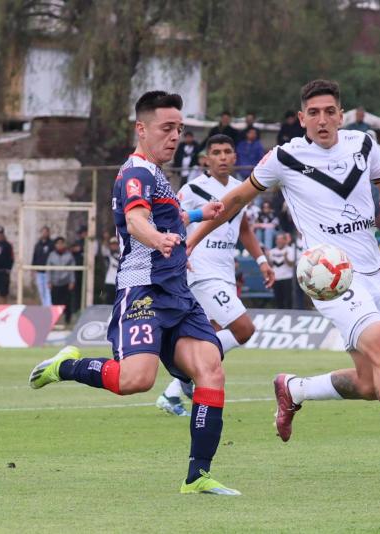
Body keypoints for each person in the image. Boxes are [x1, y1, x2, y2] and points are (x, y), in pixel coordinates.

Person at [187, 79, 380, 478]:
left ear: (341, 115)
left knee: (370, 383)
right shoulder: (283, 157)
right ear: (301, 118)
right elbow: (233, 202)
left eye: (329, 111)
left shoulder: (364, 145)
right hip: (329, 276)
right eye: (313, 113)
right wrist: (192, 241)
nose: (322, 120)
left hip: (371, 272)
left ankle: (294, 389)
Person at [28, 90, 240, 495]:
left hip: (177, 293)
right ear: (141, 129)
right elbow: (137, 219)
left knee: (211, 368)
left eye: (179, 128)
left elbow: (168, 212)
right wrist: (157, 239)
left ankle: (198, 475)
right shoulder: (135, 173)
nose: (175, 136)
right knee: (135, 381)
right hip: (142, 290)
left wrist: (198, 214)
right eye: (166, 128)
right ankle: (65, 366)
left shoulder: (156, 174)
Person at [155, 133, 275, 416]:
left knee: (212, 336)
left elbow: (243, 228)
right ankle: (185, 372)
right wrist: (178, 255)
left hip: (224, 272)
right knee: (244, 330)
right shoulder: (194, 188)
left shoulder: (239, 189)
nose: (222, 157)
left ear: (235, 157)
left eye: (227, 152)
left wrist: (261, 261)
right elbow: (173, 222)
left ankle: (172, 393)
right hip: (200, 271)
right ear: (206, 159)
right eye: (216, 153)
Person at [46, 237, 75, 324]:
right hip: (55, 283)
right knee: (55, 303)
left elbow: (72, 269)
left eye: (61, 243)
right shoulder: (51, 255)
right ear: (55, 245)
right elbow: (48, 269)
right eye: (58, 243)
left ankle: (67, 322)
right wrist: (49, 281)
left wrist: (72, 281)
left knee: (67, 303)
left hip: (66, 283)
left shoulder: (69, 255)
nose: (60, 245)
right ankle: (55, 322)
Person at [269, 232, 295, 309]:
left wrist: (286, 257)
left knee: (288, 300)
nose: (278, 242)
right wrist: (267, 257)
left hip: (287, 278)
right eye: (277, 240)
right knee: (278, 300)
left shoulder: (290, 250)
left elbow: (291, 264)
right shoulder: (272, 251)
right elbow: (270, 265)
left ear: (285, 241)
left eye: (280, 240)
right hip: (276, 278)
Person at [32, 226, 54, 306]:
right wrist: (33, 268)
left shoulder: (51, 244)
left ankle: (48, 306)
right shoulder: (38, 245)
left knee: (48, 290)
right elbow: (34, 256)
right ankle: (44, 305)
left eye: (46, 232)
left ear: (48, 233)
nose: (44, 233)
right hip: (39, 272)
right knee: (41, 290)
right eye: (43, 232)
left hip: (48, 272)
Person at [70, 225, 87, 313]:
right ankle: (75, 309)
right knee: (76, 291)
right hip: (77, 270)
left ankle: (84, 307)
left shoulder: (89, 243)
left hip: (87, 270)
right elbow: (73, 249)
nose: (84, 235)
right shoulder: (77, 242)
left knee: (85, 290)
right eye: (82, 233)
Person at [102, 236, 120, 305]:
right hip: (109, 281)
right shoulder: (108, 254)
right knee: (108, 301)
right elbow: (103, 249)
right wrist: (105, 237)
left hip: (119, 282)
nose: (114, 246)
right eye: (112, 244)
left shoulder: (122, 254)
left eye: (116, 244)